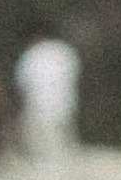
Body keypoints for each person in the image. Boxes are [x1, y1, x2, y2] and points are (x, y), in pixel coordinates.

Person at [14, 29, 80, 158]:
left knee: (43, 150)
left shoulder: (30, 56)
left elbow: (23, 86)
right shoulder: (64, 50)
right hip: (66, 105)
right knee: (66, 145)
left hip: (39, 109)